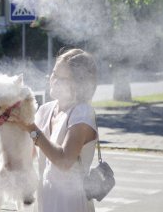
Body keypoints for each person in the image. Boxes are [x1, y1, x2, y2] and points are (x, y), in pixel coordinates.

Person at [14, 48, 99, 212]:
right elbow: (28, 153)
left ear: (79, 84)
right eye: (54, 74)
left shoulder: (82, 112)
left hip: (70, 203)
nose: (54, 81)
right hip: (44, 199)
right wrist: (6, 118)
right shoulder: (46, 109)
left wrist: (30, 128)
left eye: (63, 78)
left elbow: (65, 161)